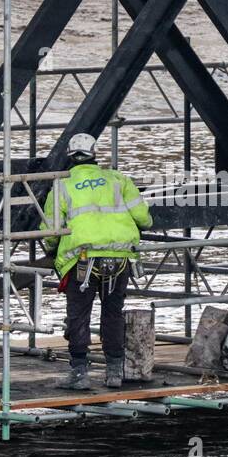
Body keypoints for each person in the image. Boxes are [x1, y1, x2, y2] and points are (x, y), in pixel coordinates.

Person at [41, 133, 152, 390]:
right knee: (112, 313)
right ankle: (115, 372)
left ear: (69, 156)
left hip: (82, 259)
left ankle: (79, 374)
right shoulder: (118, 180)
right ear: (95, 153)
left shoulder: (62, 186)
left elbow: (50, 231)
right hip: (119, 258)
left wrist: (51, 249)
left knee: (79, 315)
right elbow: (144, 219)